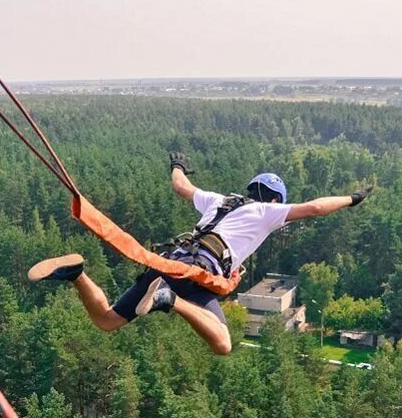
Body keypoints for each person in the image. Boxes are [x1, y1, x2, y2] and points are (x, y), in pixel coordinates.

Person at [28, 152, 372, 355]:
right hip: (196, 275)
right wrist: (352, 200)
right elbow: (314, 208)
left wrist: (177, 164)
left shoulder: (217, 200)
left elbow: (180, 186)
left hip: (170, 263)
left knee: (106, 320)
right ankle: (169, 300)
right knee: (223, 343)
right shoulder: (265, 213)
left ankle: (77, 274)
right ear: (274, 200)